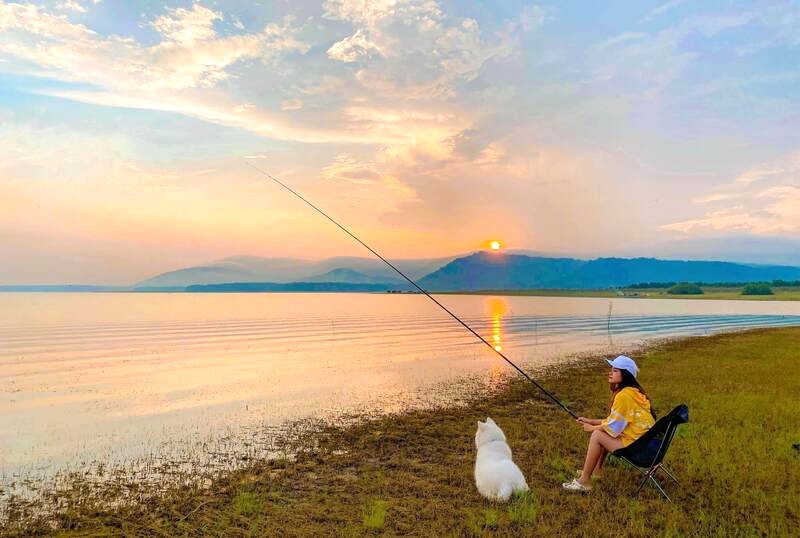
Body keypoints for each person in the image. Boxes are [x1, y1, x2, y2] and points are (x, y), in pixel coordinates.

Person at [562, 355, 655, 492]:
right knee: (601, 431)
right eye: (611, 369)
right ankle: (597, 471)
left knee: (597, 435)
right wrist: (591, 421)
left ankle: (584, 481)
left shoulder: (624, 396)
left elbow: (613, 427)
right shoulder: (634, 393)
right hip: (644, 443)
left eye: (616, 370)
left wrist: (592, 427)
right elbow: (614, 421)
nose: (610, 372)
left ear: (626, 375)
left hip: (637, 448)